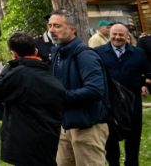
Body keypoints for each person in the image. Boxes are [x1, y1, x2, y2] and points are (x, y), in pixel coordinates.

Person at [0, 32, 65, 166]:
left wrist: (11, 64)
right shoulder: (46, 70)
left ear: (13, 53)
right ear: (35, 50)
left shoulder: (18, 74)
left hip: (24, 140)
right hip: (48, 135)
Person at [48, 9, 110, 165]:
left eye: (57, 25)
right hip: (65, 125)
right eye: (50, 26)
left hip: (88, 126)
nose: (51, 30)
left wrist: (61, 97)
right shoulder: (57, 53)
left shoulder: (85, 55)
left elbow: (95, 90)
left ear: (72, 29)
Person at [93, 22, 150, 166]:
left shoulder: (138, 53)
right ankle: (113, 163)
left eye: (121, 35)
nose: (117, 37)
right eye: (114, 34)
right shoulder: (98, 52)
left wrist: (144, 84)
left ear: (127, 36)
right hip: (109, 101)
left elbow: (147, 71)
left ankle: (132, 162)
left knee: (133, 135)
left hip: (132, 101)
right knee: (110, 136)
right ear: (109, 35)